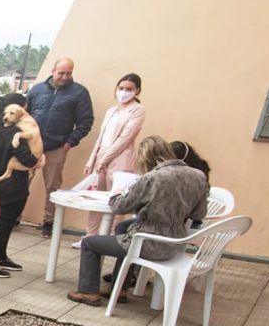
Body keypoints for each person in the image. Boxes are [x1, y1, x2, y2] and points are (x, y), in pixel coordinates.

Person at [67, 135, 209, 307]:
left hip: (149, 242)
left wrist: (116, 194)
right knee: (122, 227)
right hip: (175, 241)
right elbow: (199, 213)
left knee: (90, 243)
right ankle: (119, 288)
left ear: (146, 157)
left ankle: (88, 291)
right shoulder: (198, 175)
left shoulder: (152, 178)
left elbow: (120, 207)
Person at [25, 58, 95, 237]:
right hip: (32, 145)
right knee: (22, 182)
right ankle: (14, 215)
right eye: (61, 73)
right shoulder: (37, 89)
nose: (65, 77)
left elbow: (86, 121)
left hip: (57, 146)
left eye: (69, 73)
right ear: (53, 71)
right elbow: (26, 114)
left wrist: (69, 142)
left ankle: (48, 222)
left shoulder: (79, 93)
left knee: (53, 187)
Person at [0, 93, 39, 278]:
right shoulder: (14, 134)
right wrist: (38, 159)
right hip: (13, 185)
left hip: (0, 182)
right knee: (4, 223)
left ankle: (1, 256)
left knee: (7, 221)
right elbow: (28, 160)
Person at [80, 73, 146, 241]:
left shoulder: (137, 110)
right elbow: (101, 137)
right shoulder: (112, 110)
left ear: (137, 91)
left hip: (120, 158)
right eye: (121, 88)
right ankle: (90, 236)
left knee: (116, 199)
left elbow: (125, 138)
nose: (124, 92)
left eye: (129, 89)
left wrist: (105, 159)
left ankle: (110, 237)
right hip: (102, 156)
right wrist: (92, 159)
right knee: (96, 198)